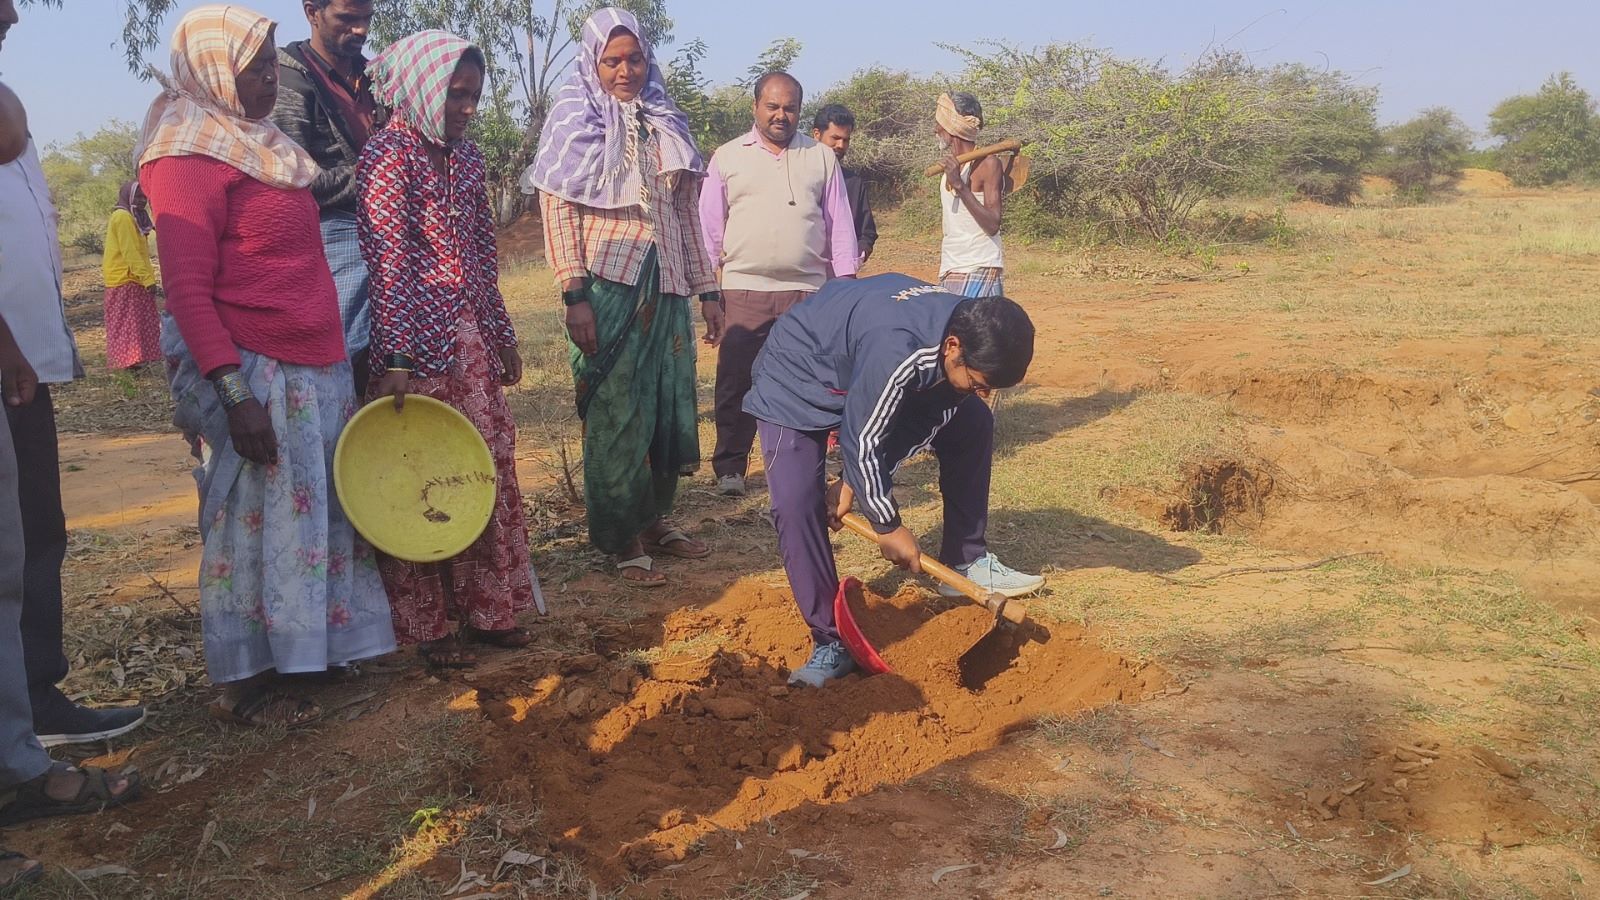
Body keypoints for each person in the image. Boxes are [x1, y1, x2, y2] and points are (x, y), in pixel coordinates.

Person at [139, 4, 397, 726]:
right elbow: (187, 291)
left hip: (310, 360)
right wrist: (232, 393)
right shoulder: (186, 155)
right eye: (250, 68)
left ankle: (308, 655)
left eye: (266, 64)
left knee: (307, 517)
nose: (264, 81)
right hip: (252, 368)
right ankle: (251, 680)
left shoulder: (264, 144)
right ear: (214, 70)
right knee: (255, 521)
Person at [744, 273, 1046, 687]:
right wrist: (888, 524)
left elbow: (919, 421)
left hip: (860, 362)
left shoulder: (961, 333)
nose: (982, 391)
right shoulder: (901, 348)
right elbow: (863, 434)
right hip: (798, 374)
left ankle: (966, 560)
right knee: (796, 504)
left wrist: (852, 483)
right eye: (978, 382)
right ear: (953, 346)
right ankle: (831, 639)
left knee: (972, 421)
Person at [358, 30, 540, 666]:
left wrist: (501, 334)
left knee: (480, 473)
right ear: (422, 88)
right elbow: (388, 262)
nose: (465, 108)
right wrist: (397, 358)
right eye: (455, 95)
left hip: (468, 344)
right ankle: (428, 631)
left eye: (474, 97)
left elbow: (481, 259)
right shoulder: (387, 156)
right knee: (419, 478)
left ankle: (490, 612)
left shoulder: (466, 160)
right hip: (413, 351)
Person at [0, 71, 140, 880]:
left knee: (31, 542)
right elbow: (7, 127)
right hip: (10, 358)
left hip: (23, 366)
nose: (15, 16)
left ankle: (30, 710)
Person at [523, 7, 719, 585]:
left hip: (669, 280)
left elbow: (686, 213)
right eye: (612, 60)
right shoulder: (572, 120)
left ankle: (656, 517)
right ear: (593, 62)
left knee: (664, 402)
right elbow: (556, 209)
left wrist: (707, 288)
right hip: (606, 284)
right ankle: (620, 532)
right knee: (616, 408)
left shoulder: (666, 122)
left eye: (634, 58)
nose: (625, 70)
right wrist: (573, 293)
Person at [699, 71, 859, 497]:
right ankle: (731, 467)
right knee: (736, 380)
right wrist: (707, 292)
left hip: (807, 294)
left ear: (800, 112)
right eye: (772, 106)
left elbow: (839, 224)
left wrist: (844, 287)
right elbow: (708, 230)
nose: (780, 115)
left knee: (808, 383)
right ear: (755, 107)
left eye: (789, 108)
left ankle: (802, 465)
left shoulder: (820, 158)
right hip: (743, 289)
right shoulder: (728, 157)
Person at [271, 0, 379, 395]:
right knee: (350, 356)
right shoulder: (289, 80)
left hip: (381, 226)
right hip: (334, 232)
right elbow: (295, 180)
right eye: (348, 19)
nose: (361, 30)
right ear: (312, 12)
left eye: (366, 19)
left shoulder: (373, 77)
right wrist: (380, 178)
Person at [935, 92, 1006, 298]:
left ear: (951, 126)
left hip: (980, 265)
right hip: (951, 265)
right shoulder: (952, 165)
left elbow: (993, 225)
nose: (935, 129)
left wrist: (960, 186)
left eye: (939, 123)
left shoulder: (988, 164)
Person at [102, 180, 162, 371]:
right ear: (128, 196)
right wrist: (148, 279)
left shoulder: (137, 217)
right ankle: (127, 363)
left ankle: (137, 361)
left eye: (144, 196)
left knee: (137, 323)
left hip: (135, 278)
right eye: (137, 196)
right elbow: (130, 252)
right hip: (124, 279)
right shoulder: (123, 217)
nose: (142, 200)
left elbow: (140, 251)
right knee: (127, 324)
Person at [811, 103, 876, 267]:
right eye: (835, 138)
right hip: (803, 276)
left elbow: (867, 233)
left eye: (845, 140)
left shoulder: (853, 182)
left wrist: (857, 255)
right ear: (817, 134)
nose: (840, 145)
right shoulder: (797, 176)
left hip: (840, 279)